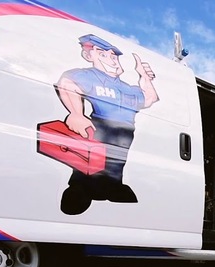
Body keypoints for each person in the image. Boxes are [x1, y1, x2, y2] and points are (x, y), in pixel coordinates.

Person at [56, 34, 159, 215]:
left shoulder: (127, 88)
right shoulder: (89, 76)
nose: (111, 60)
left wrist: (145, 77)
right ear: (89, 56)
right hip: (100, 125)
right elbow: (67, 83)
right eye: (103, 54)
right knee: (90, 160)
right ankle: (80, 187)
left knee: (116, 160)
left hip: (125, 131)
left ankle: (111, 185)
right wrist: (76, 114)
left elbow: (150, 98)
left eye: (113, 56)